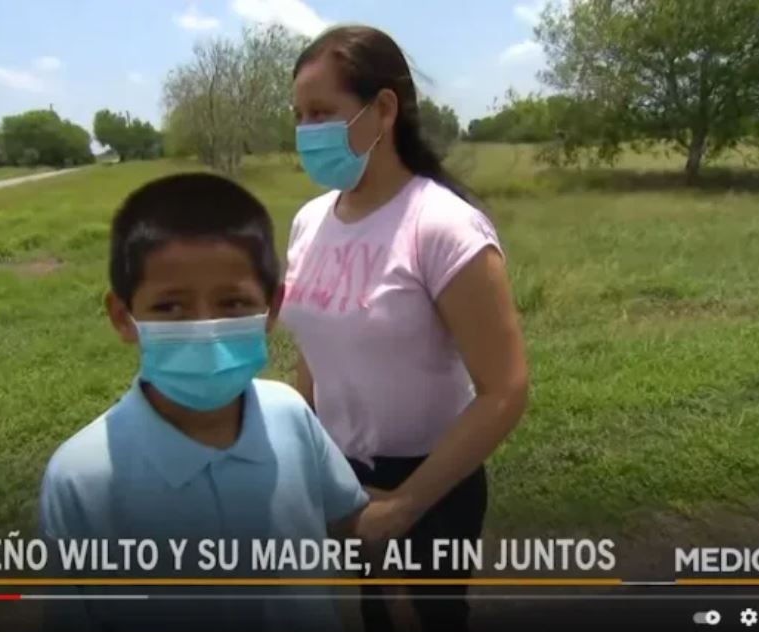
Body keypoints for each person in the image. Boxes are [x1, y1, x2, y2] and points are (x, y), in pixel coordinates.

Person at [38, 173, 369, 630]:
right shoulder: (80, 477)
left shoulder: (290, 414)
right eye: (171, 307)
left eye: (233, 303)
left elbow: (348, 520)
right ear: (124, 317)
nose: (205, 329)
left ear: (272, 309)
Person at [282, 25, 531, 631]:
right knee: (376, 617)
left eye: (322, 112)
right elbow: (317, 348)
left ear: (383, 109)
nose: (306, 131)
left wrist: (403, 506)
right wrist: (300, 456)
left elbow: (505, 389)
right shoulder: (310, 221)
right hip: (344, 474)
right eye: (298, 115)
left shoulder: (443, 227)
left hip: (431, 482)